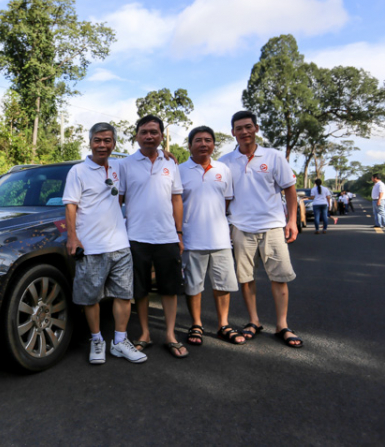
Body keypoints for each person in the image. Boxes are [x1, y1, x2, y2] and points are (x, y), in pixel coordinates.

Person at [63, 122, 147, 365]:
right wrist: (72, 237)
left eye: (107, 140)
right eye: (98, 140)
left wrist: (165, 154)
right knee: (91, 298)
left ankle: (120, 342)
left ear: (114, 143)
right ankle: (97, 339)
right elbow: (70, 205)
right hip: (90, 247)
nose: (102, 145)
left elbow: (146, 154)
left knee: (123, 295)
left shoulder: (120, 166)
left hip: (120, 245)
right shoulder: (78, 171)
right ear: (90, 142)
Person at [219, 111, 303, 348]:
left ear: (256, 128)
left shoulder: (274, 157)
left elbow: (290, 189)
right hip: (241, 226)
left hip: (273, 225)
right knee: (246, 278)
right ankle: (253, 321)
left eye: (248, 127)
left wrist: (291, 221)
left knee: (280, 276)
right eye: (239, 128)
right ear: (233, 132)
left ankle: (282, 325)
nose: (244, 131)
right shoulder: (225, 161)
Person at [119, 115, 188, 358]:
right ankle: (145, 333)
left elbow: (176, 199)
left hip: (167, 237)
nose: (149, 136)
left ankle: (170, 335)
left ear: (161, 136)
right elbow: (119, 201)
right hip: (135, 237)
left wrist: (179, 233)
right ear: (136, 135)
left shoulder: (171, 164)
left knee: (169, 289)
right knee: (141, 289)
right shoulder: (125, 165)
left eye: (154, 132)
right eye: (144, 132)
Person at [180, 126, 245, 346]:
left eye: (208, 140)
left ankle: (223, 325)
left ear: (213, 145)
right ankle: (196, 324)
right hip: (191, 238)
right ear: (189, 145)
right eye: (198, 140)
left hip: (220, 239)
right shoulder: (180, 170)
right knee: (193, 285)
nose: (203, 144)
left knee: (223, 284)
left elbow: (226, 201)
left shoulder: (223, 169)